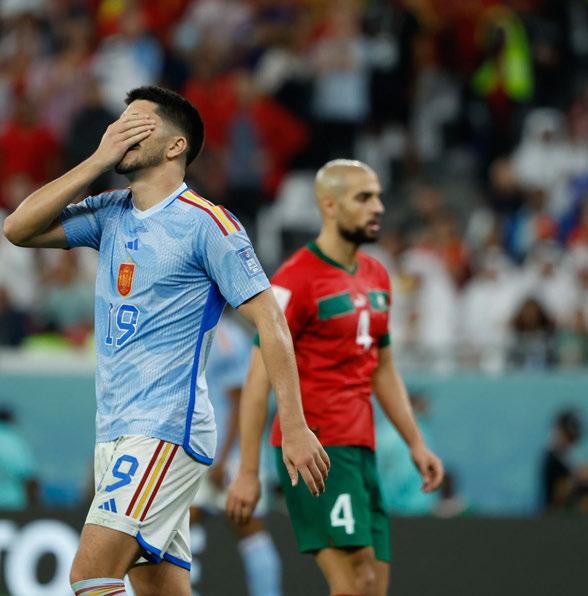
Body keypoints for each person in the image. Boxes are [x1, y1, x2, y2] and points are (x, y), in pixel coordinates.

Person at [3, 85, 329, 596]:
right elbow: (18, 229)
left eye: (138, 124)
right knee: (160, 590)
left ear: (176, 146)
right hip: (115, 428)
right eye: (120, 123)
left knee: (90, 576)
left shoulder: (207, 224)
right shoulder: (110, 212)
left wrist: (293, 424)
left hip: (164, 427)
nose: (122, 132)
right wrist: (97, 159)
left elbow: (272, 321)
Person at [227, 159, 444, 596]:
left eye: (378, 196)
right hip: (319, 451)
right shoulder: (294, 280)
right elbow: (257, 380)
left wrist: (415, 441)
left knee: (373, 585)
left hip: (362, 449)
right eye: (364, 198)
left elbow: (383, 368)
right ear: (329, 205)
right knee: (354, 580)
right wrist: (248, 471)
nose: (378, 207)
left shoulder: (377, 275)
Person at [190, 314, 282, 596]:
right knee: (181, 526)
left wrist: (222, 458)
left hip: (223, 456)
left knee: (247, 527)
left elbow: (240, 400)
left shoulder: (225, 337)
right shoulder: (197, 326)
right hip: (203, 451)